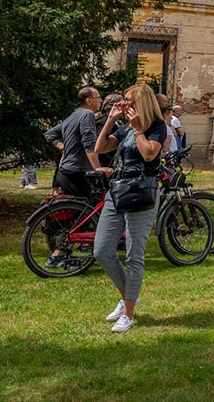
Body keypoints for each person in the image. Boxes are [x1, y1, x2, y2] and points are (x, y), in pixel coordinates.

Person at [92, 84, 167, 333]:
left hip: (142, 193)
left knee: (135, 254)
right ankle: (128, 297)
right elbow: (99, 148)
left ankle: (129, 313)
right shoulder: (124, 127)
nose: (124, 105)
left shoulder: (156, 126)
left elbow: (148, 155)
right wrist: (110, 121)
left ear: (141, 103)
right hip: (118, 191)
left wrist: (137, 130)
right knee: (101, 250)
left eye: (128, 101)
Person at [44, 86, 105, 199]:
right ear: (89, 101)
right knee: (87, 208)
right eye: (99, 98)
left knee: (77, 212)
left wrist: (63, 148)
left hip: (65, 171)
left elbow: (50, 134)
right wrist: (97, 168)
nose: (101, 101)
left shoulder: (72, 116)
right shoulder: (87, 114)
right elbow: (89, 142)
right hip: (78, 171)